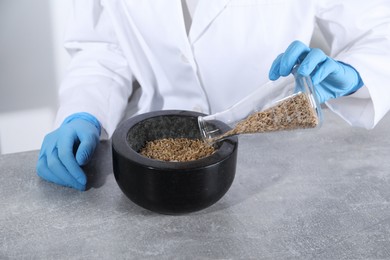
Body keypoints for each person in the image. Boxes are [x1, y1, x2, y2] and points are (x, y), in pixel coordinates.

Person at [37, 0, 390, 191]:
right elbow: (104, 48)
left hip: (276, 158)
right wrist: (83, 110)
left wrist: (358, 74)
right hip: (152, 156)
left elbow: (379, 31)